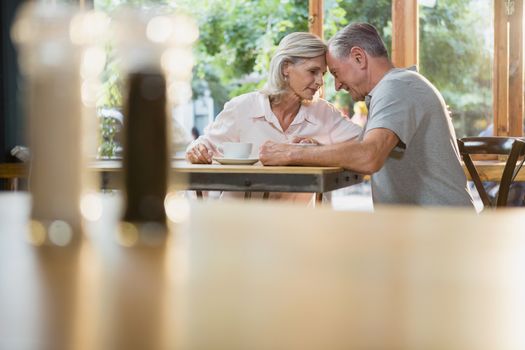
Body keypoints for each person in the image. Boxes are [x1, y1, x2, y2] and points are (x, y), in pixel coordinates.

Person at [259, 23, 474, 208]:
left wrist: (289, 153)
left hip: (439, 232)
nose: (337, 85)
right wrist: (318, 150)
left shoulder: (396, 88)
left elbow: (368, 156)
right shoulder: (397, 87)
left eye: (335, 73)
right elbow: (361, 150)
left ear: (359, 58)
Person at [186, 32, 362, 164]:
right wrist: (196, 150)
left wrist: (319, 150)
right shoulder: (241, 108)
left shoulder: (324, 113)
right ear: (286, 67)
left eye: (322, 74)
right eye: (312, 71)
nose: (320, 82)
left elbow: (368, 145)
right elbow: (202, 147)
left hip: (296, 215)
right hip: (238, 212)